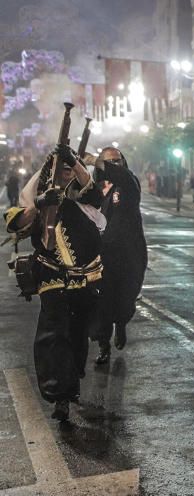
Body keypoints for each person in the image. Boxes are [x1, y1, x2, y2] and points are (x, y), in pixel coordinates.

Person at [4, 144, 104, 422]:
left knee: (77, 335)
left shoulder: (82, 198)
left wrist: (74, 159)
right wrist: (40, 203)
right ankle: (60, 394)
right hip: (51, 276)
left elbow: (93, 191)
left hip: (85, 278)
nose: (65, 174)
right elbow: (15, 222)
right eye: (61, 168)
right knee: (54, 334)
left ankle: (71, 383)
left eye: (68, 169)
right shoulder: (39, 196)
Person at [86, 147, 147, 364]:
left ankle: (121, 323)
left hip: (128, 252)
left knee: (125, 297)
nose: (114, 164)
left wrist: (96, 160)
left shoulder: (128, 184)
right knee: (100, 302)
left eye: (117, 160)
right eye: (109, 161)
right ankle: (103, 345)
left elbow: (124, 176)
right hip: (100, 254)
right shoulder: (93, 188)